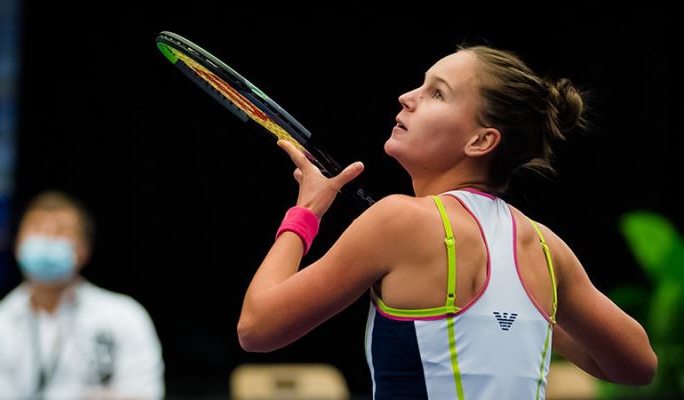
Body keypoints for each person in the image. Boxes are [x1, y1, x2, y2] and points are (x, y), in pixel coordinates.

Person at [237, 45, 657, 399]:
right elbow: (637, 366)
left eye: (437, 93)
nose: (407, 97)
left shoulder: (398, 220)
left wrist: (306, 213)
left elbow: (257, 329)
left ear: (481, 141)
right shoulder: (546, 248)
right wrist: (531, 317)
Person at [0, 190, 164, 399]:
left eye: (61, 231)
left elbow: (142, 394)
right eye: (38, 230)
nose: (48, 239)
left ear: (83, 249)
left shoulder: (125, 318)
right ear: (18, 245)